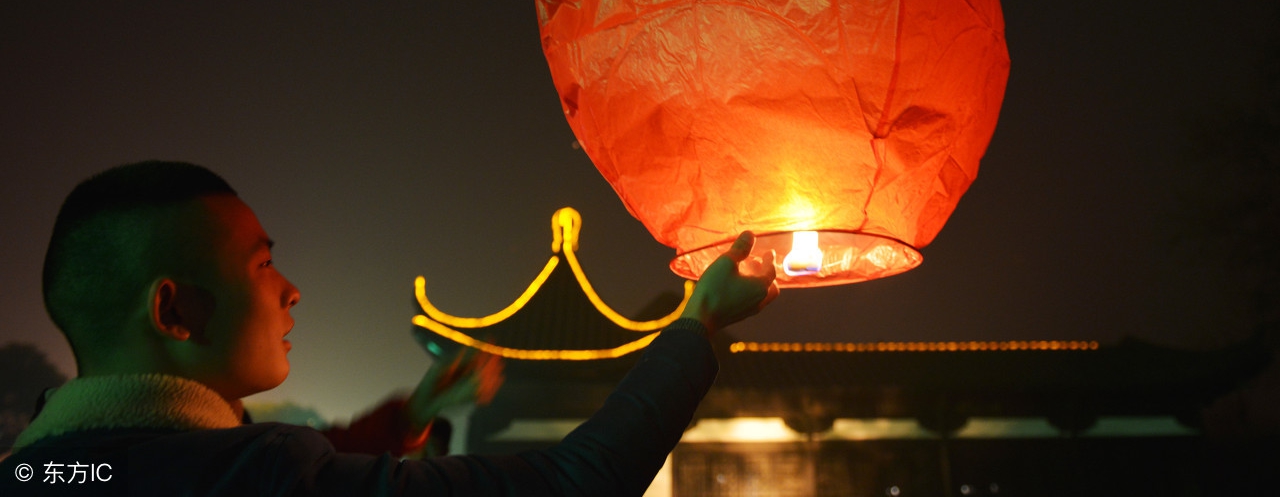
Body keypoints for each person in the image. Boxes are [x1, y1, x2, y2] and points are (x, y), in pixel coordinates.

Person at [2, 161, 778, 495]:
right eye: (262, 264)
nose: (292, 290)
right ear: (172, 310)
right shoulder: (259, 473)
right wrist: (696, 324)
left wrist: (410, 416)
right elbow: (573, 484)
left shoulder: (35, 469)